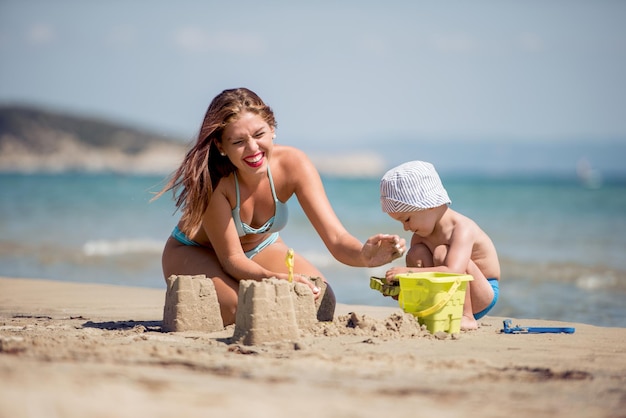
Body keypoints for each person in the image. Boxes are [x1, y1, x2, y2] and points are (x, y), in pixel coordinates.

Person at [154, 87, 406, 326]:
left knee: (320, 299)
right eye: (238, 141)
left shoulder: (293, 165)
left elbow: (337, 238)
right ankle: (192, 300)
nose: (253, 148)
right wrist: (277, 280)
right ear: (221, 146)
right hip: (195, 252)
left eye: (259, 134)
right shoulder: (215, 181)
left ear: (272, 128)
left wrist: (366, 255)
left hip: (261, 248)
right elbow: (232, 259)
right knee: (237, 308)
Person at [379, 160, 500, 330]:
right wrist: (401, 286)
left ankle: (467, 317)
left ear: (429, 204)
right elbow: (424, 275)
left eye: (407, 219)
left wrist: (408, 272)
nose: (406, 228)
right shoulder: (420, 236)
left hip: (480, 293)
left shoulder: (462, 229)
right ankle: (433, 311)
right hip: (445, 295)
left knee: (443, 253)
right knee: (416, 253)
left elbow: (454, 271)